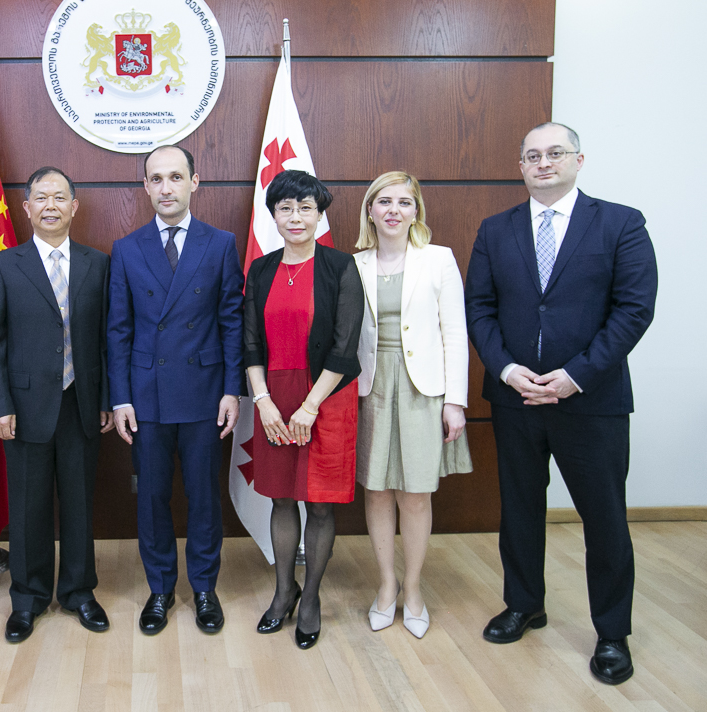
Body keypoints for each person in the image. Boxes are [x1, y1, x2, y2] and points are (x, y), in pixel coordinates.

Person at [465, 123, 657, 684]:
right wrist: (506, 369)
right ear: (521, 167)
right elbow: (479, 308)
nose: (543, 162)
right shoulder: (495, 229)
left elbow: (634, 309)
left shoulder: (621, 223)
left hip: (591, 401)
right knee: (519, 509)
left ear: (578, 159)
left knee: (605, 519)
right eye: (532, 156)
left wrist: (575, 376)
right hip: (516, 398)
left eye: (555, 153)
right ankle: (524, 604)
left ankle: (612, 633)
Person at [108, 145, 244, 635]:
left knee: (204, 496)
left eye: (175, 177)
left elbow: (232, 322)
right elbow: (118, 330)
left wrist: (232, 390)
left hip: (205, 392)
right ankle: (161, 589)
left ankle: (204, 587)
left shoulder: (221, 243)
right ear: (145, 187)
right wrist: (120, 397)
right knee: (151, 497)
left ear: (194, 182)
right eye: (156, 179)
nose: (166, 188)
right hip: (146, 396)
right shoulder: (126, 248)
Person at [0, 166, 113, 643]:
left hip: (82, 403)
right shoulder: (3, 266)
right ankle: (28, 599)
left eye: (59, 197)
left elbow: (108, 340)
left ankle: (78, 592)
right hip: (23, 408)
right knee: (28, 507)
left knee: (79, 503)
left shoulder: (99, 264)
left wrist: (107, 399)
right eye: (41, 197)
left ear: (74, 207)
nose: (50, 205)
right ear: (27, 207)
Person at [244, 170, 364, 649]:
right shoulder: (261, 269)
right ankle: (283, 591)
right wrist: (263, 402)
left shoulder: (340, 267)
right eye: (286, 208)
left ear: (319, 215)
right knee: (280, 498)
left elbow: (345, 347)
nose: (296, 217)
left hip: (326, 398)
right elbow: (250, 343)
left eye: (306, 208)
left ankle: (310, 598)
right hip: (273, 398)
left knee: (318, 502)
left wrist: (310, 407)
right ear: (273, 216)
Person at [352, 171, 472, 639]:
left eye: (404, 202)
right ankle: (387, 585)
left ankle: (415, 588)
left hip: (424, 390)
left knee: (416, 494)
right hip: (371, 388)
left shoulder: (438, 259)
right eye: (384, 202)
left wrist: (455, 401)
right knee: (377, 490)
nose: (394, 210)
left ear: (416, 211)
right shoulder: (353, 265)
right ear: (370, 210)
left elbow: (454, 333)